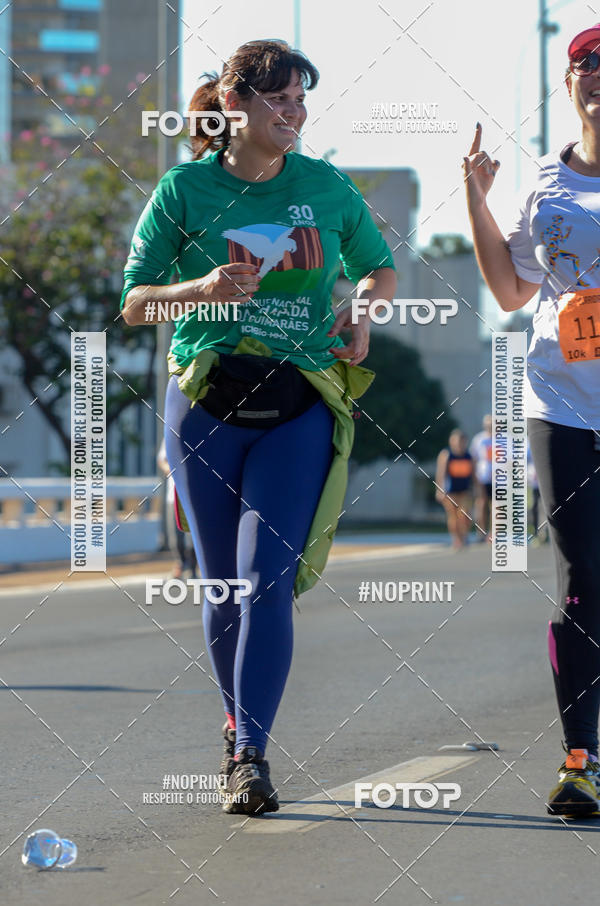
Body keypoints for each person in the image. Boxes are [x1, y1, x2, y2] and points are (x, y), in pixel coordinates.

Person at [120, 40, 396, 816]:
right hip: (207, 400)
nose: (294, 114)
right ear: (235, 107)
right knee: (223, 588)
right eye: (279, 100)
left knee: (266, 581)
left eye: (301, 101)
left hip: (298, 400)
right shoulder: (184, 191)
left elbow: (378, 267)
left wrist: (362, 307)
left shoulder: (325, 187)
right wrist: (202, 288)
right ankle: (235, 725)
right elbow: (136, 301)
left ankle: (250, 756)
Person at [464, 24, 600, 816]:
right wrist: (477, 201)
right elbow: (512, 293)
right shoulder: (547, 184)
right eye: (587, 65)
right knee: (585, 577)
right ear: (569, 83)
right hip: (563, 408)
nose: (599, 77)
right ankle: (580, 757)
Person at [157, 438, 198, 579]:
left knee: (193, 534)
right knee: (175, 535)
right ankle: (181, 563)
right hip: (173, 495)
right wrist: (172, 469)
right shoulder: (169, 433)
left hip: (193, 493)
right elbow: (161, 459)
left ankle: (192, 567)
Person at [435, 429, 473, 550]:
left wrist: (477, 489)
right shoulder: (446, 455)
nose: (459, 444)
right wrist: (439, 490)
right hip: (451, 492)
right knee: (453, 517)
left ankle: (464, 535)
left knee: (465, 515)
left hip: (465, 491)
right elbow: (441, 474)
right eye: (456, 441)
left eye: (461, 441)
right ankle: (456, 539)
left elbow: (474, 475)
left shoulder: (469, 456)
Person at [470, 414, 493, 541]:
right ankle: (481, 532)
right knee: (481, 504)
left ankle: (493, 534)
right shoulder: (479, 439)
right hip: (482, 478)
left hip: (499, 479)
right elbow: (473, 460)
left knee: (497, 507)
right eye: (488, 423)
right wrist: (475, 478)